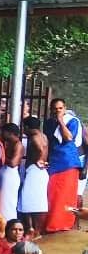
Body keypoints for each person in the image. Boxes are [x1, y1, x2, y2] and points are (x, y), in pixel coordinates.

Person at [44, 98, 82, 233]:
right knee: (53, 194)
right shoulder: (48, 123)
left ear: (65, 109)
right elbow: (46, 142)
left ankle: (64, 224)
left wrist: (60, 121)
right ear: (51, 110)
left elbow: (68, 138)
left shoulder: (72, 121)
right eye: (55, 109)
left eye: (60, 108)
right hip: (54, 161)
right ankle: (51, 223)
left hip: (68, 162)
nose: (57, 111)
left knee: (65, 195)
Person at [19, 117, 49, 234]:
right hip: (40, 171)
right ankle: (35, 229)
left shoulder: (35, 138)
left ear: (27, 127)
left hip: (34, 170)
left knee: (27, 199)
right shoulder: (43, 136)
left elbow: (41, 150)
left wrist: (38, 160)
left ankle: (32, 229)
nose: (23, 130)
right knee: (37, 201)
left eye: (24, 127)